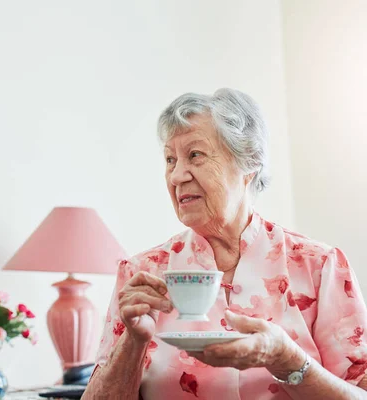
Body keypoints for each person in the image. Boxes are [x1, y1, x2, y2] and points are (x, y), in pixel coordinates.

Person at [82, 88, 367, 399]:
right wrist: (133, 343)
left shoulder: (319, 268)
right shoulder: (142, 274)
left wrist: (288, 360)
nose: (177, 175)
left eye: (195, 155)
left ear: (249, 163)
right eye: (169, 159)